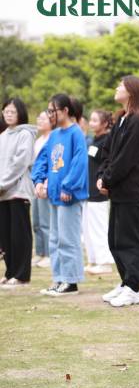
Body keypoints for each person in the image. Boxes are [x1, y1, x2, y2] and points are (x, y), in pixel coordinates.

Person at [97, 76, 139, 307]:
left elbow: (126, 159)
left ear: (132, 91)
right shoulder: (122, 119)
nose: (116, 87)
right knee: (115, 239)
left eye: (120, 85)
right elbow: (107, 152)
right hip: (118, 191)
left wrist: (107, 179)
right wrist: (102, 176)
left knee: (130, 240)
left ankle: (134, 287)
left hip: (132, 191)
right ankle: (126, 282)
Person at [32, 94, 89, 297]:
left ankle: (71, 281)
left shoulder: (76, 133)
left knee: (68, 239)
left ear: (65, 111)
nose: (50, 115)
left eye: (52, 111)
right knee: (55, 239)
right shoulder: (54, 135)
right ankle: (59, 278)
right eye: (48, 111)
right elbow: (43, 159)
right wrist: (39, 181)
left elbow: (79, 162)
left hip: (68, 196)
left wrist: (68, 187)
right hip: (54, 194)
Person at [0, 98, 35, 289]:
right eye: (6, 111)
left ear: (20, 113)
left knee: (19, 235)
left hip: (18, 191)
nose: (9, 114)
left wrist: (3, 183)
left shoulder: (25, 134)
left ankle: (21, 276)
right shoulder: (3, 135)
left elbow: (20, 163)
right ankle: (10, 272)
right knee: (6, 236)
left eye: (12, 111)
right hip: (2, 193)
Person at [83, 110, 115, 275]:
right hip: (88, 191)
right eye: (91, 120)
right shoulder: (94, 140)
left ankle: (105, 262)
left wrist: (103, 181)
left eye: (95, 120)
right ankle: (93, 260)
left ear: (105, 123)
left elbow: (108, 164)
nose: (91, 123)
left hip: (99, 192)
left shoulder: (107, 141)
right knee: (88, 229)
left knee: (99, 228)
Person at [31, 111, 52, 269]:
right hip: (35, 185)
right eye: (38, 118)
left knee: (46, 221)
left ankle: (49, 254)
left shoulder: (53, 139)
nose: (39, 120)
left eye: (43, 118)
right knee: (36, 221)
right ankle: (39, 252)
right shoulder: (38, 140)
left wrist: (45, 183)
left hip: (46, 185)